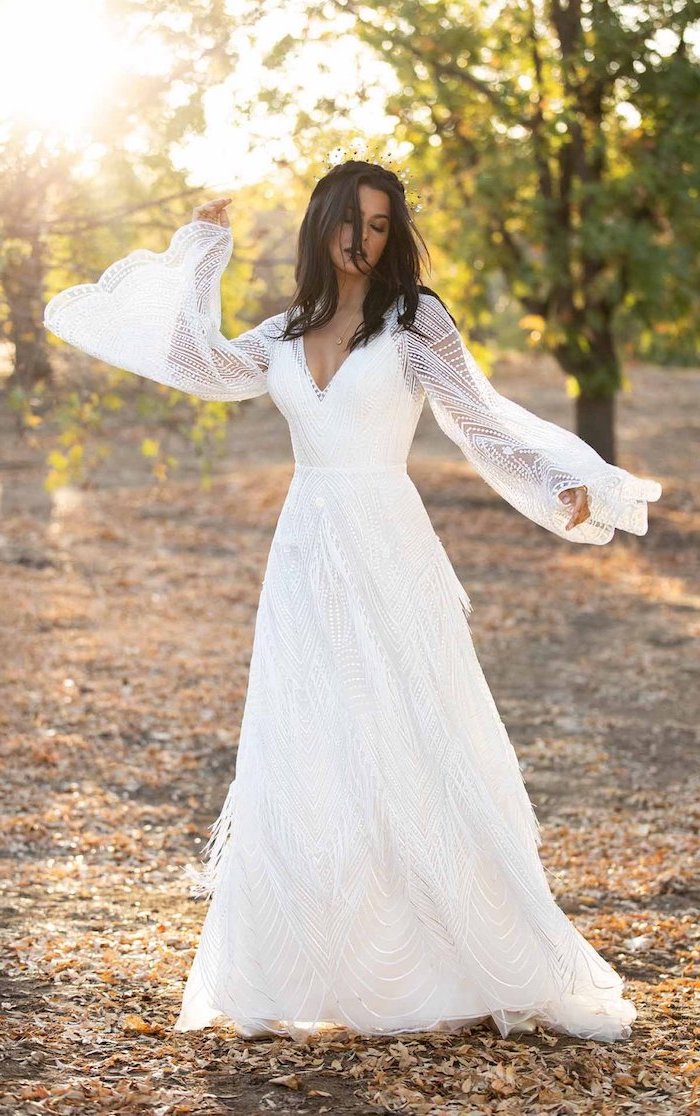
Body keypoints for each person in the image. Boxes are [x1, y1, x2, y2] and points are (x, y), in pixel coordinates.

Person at [43, 159, 662, 1045]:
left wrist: (561, 483)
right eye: (349, 220)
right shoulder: (284, 331)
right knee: (312, 739)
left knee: (410, 732)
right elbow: (195, 362)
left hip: (387, 544)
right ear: (320, 224)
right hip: (303, 555)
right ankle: (309, 966)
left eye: (378, 224)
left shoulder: (415, 322)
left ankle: (459, 958)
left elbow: (478, 417)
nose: (361, 239)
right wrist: (205, 253)